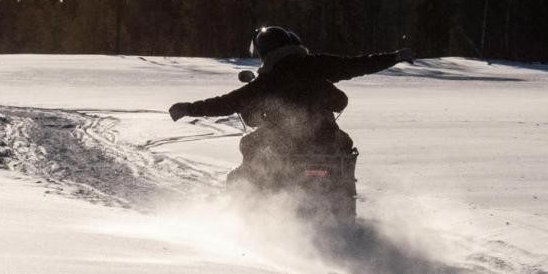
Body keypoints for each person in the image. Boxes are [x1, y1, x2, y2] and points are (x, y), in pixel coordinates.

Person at [169, 26, 413, 190]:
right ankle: (343, 193)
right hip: (325, 138)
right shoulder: (316, 65)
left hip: (285, 143)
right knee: (345, 148)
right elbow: (357, 65)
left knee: (249, 147)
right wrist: (393, 57)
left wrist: (189, 108)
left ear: (265, 52)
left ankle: (253, 202)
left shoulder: (267, 80)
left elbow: (227, 103)